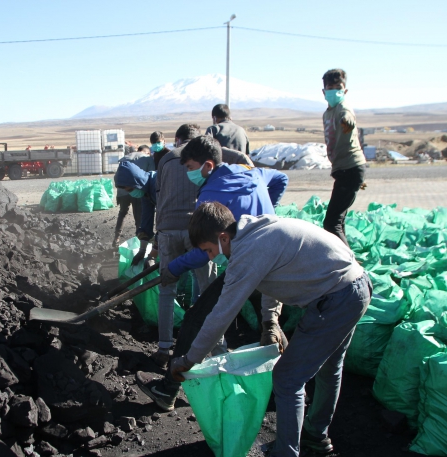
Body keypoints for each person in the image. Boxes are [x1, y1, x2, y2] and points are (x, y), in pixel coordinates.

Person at [170, 202, 372, 457]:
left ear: (222, 237)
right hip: (355, 286)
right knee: (330, 368)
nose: (211, 257)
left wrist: (190, 359)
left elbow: (221, 314)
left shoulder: (247, 251)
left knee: (287, 379)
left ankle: (287, 452)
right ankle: (315, 436)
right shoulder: (256, 231)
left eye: (209, 250)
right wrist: (270, 321)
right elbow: (273, 277)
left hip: (337, 298)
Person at [135, 135, 289, 411]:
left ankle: (167, 389)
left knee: (197, 320)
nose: (188, 172)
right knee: (269, 325)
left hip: (245, 266)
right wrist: (269, 212)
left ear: (208, 165)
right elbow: (281, 180)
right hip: (272, 263)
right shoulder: (251, 173)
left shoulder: (210, 194)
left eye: (190, 166)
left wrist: (174, 267)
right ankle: (284, 391)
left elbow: (206, 248)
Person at [149, 124, 218, 367]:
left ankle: (164, 347)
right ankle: (214, 348)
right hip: (197, 230)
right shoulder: (202, 158)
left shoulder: (166, 159)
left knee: (167, 289)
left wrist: (157, 238)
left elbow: (159, 197)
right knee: (207, 290)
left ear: (177, 139)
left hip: (167, 229)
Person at [321, 68, 367, 246]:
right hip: (343, 169)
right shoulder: (328, 113)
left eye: (338, 87)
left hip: (351, 168)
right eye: (330, 87)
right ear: (324, 91)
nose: (334, 91)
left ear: (345, 90)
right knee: (337, 221)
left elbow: (347, 116)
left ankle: (346, 263)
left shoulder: (343, 107)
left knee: (331, 223)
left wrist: (347, 121)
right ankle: (346, 259)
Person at [113, 161, 158, 266]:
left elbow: (165, 222)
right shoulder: (145, 190)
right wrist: (142, 250)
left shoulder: (157, 185)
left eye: (131, 189)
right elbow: (146, 218)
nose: (131, 193)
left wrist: (153, 254)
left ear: (137, 182)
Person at [113, 145, 155, 247]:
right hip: (138, 188)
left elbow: (117, 177)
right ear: (146, 151)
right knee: (139, 216)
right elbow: (150, 175)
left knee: (122, 213)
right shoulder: (147, 158)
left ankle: (116, 239)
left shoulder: (125, 158)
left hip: (122, 191)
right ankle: (140, 241)